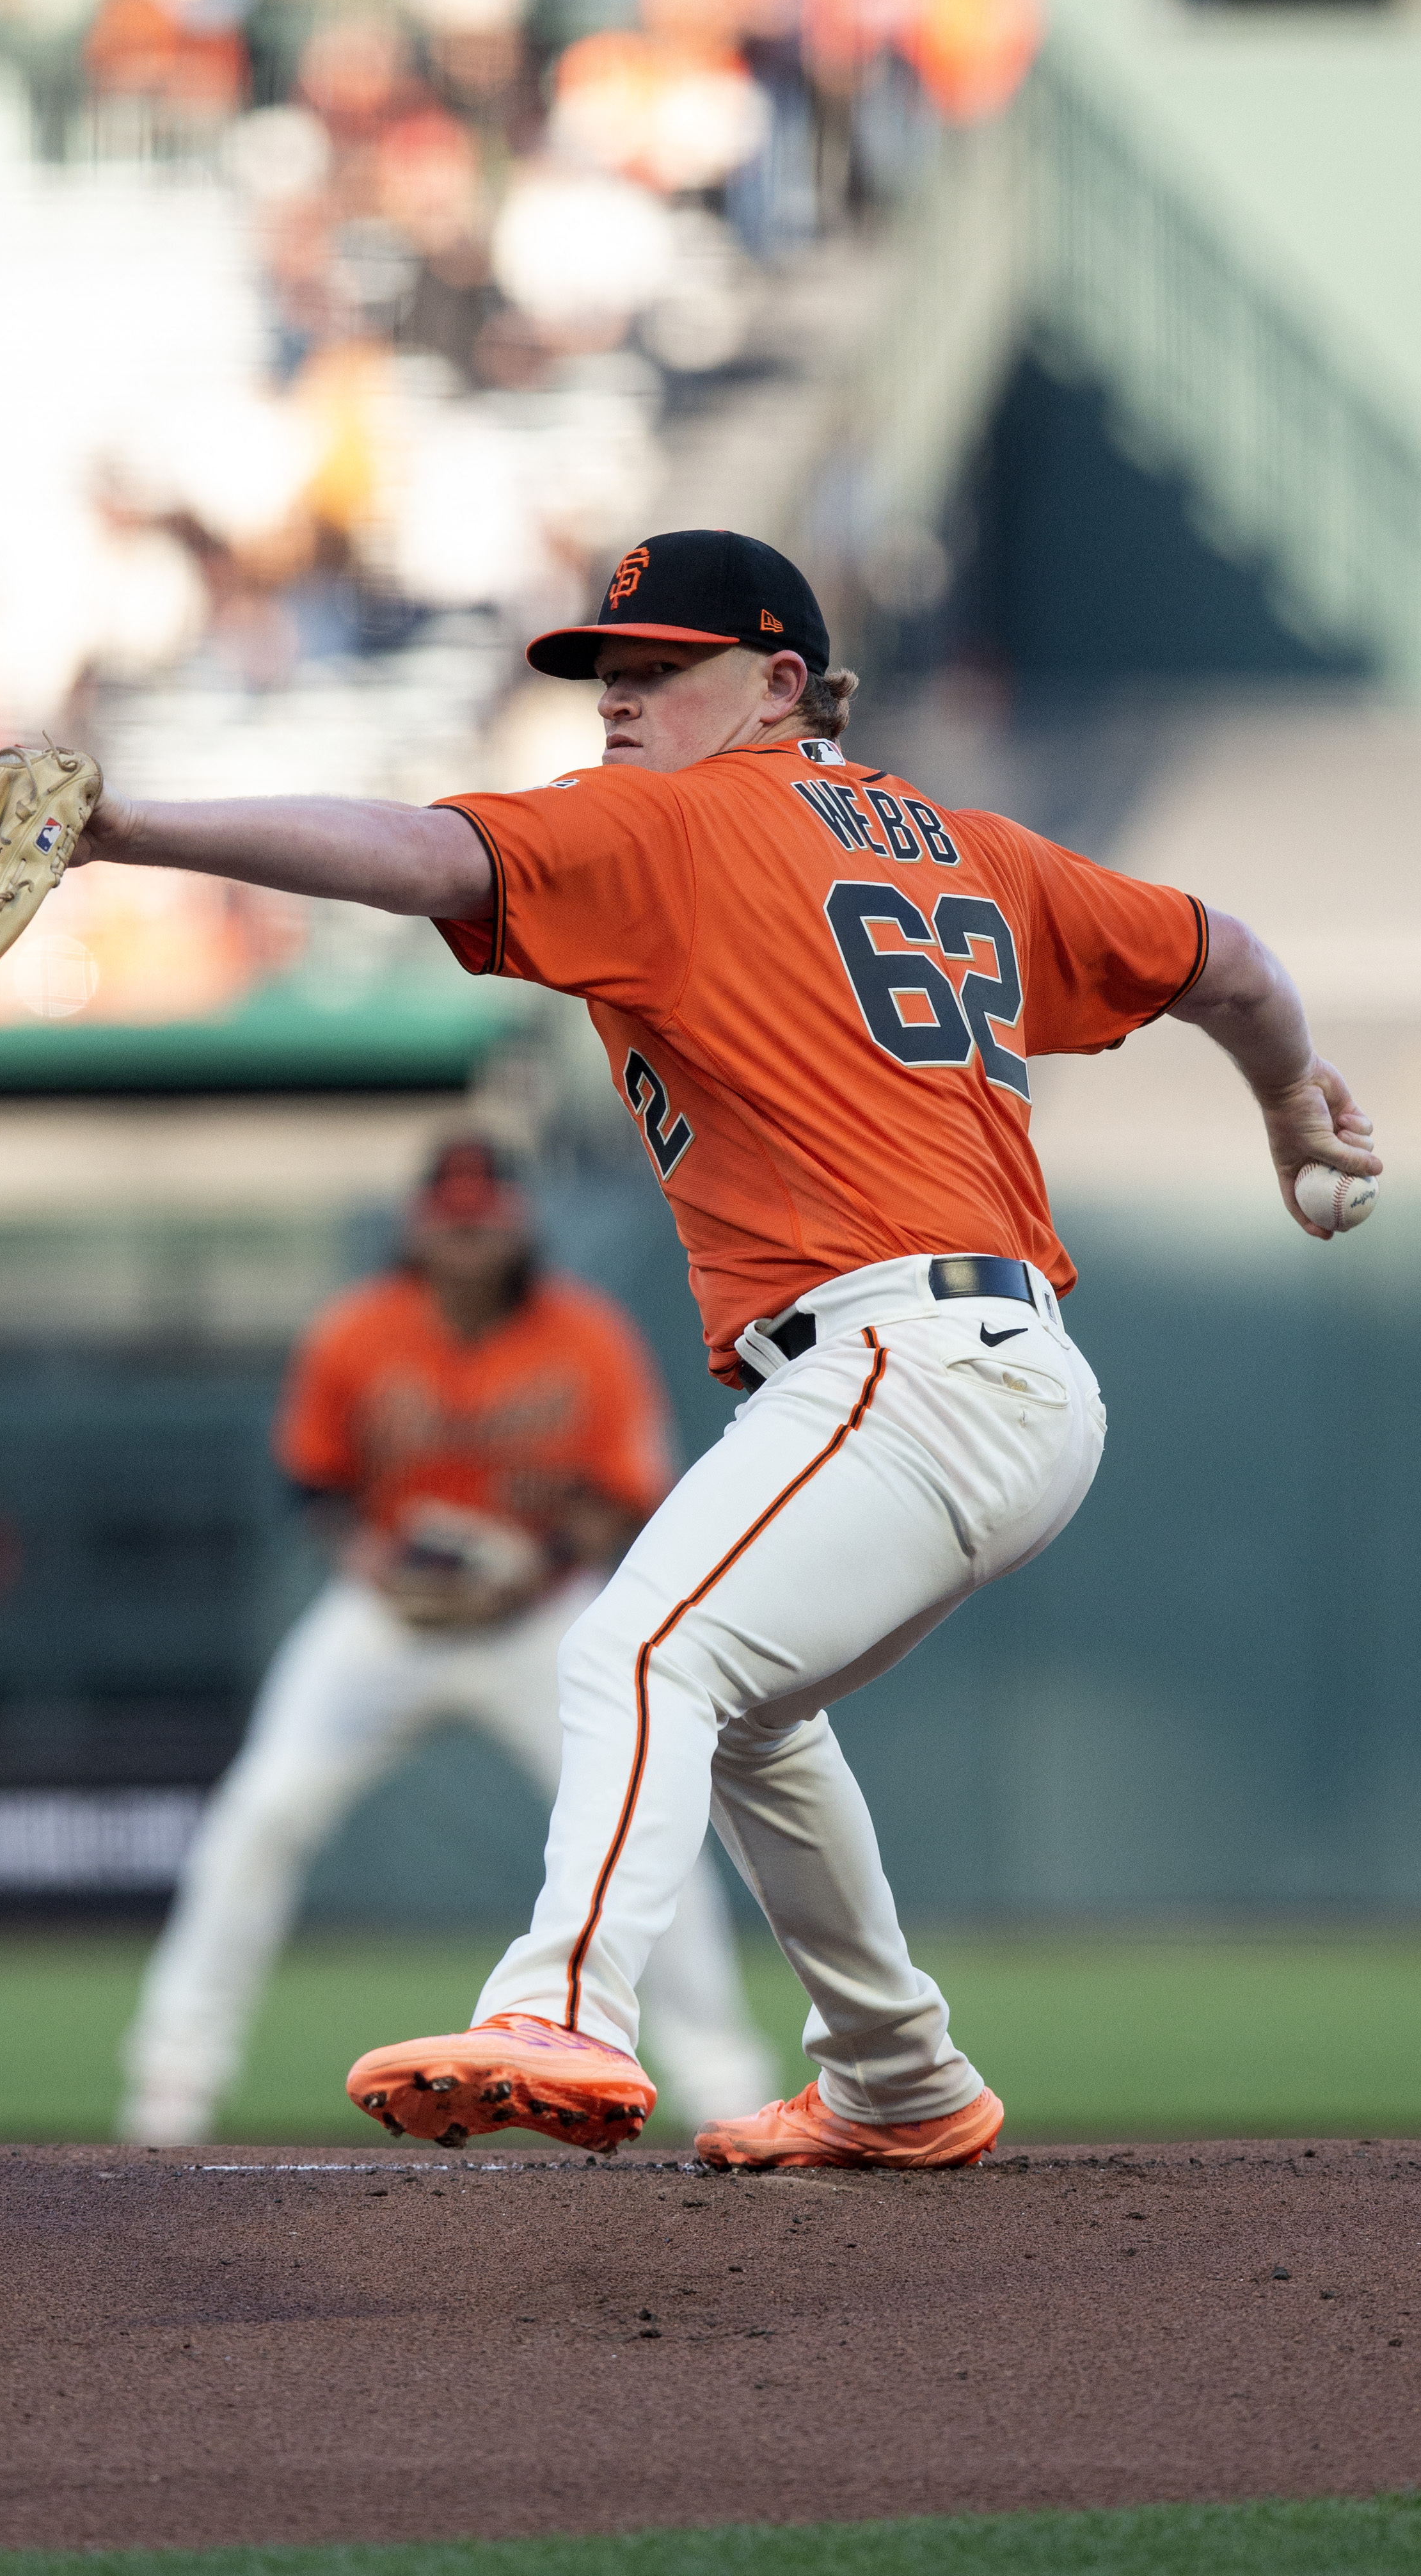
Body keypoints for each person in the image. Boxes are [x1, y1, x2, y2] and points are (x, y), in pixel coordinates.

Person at [76, 528, 1380, 2168]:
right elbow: (1230, 959)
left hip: (903, 1363)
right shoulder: (971, 850)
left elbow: (415, 853)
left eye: (655, 675)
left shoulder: (676, 823)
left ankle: (560, 2006)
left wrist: (125, 828)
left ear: (780, 685)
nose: (616, 706)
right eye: (603, 678)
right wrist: (1290, 1105)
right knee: (748, 1711)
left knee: (639, 1657)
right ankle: (899, 2080)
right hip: (999, 1374)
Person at [118, 1130, 777, 2145]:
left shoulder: (585, 1335)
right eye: (452, 1222)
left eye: (483, 1222)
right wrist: (375, 1564)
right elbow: (316, 1484)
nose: (468, 1240)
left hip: (540, 1616)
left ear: (514, 1228)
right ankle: (172, 2083)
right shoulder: (357, 1331)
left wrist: (538, 1557)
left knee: (639, 1829)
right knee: (262, 1811)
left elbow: (628, 1494)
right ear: (421, 1230)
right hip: (388, 1623)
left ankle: (725, 2080)